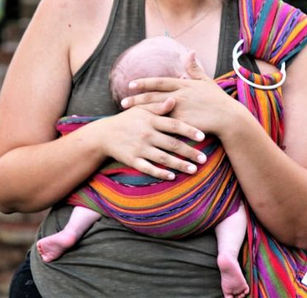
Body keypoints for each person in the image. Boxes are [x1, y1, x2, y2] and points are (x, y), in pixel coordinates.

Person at [0, 0, 306, 298]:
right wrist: (101, 138)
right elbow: (8, 187)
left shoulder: (283, 33)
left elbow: (301, 226)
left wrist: (234, 122)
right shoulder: (74, 4)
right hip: (65, 286)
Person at [35, 36, 249, 298]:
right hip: (200, 210)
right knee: (233, 208)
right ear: (186, 80)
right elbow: (239, 97)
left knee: (95, 193)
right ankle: (227, 253)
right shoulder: (211, 110)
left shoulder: (120, 130)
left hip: (132, 205)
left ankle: (70, 233)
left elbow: (72, 127)